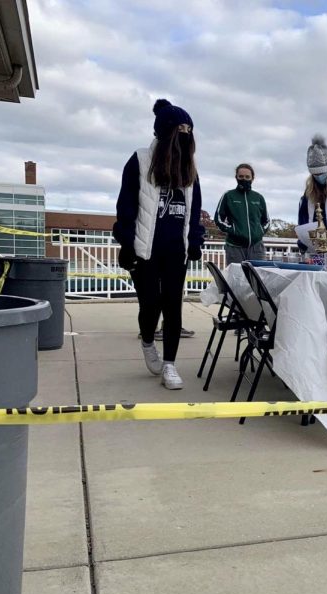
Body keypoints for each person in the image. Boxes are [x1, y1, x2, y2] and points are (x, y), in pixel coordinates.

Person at [113, 98, 203, 390]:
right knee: (150, 304)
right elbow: (126, 206)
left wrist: (194, 241)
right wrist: (126, 244)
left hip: (176, 252)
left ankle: (170, 365)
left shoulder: (190, 168)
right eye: (180, 134)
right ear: (165, 135)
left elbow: (195, 209)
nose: (184, 142)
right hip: (144, 249)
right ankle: (148, 341)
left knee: (173, 306)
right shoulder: (139, 160)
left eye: (188, 135)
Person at [215, 163, 269, 264]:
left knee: (257, 278)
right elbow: (218, 218)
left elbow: (266, 221)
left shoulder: (258, 197)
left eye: (247, 177)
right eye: (241, 176)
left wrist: (259, 231)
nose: (244, 179)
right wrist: (233, 230)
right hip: (234, 247)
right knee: (236, 278)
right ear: (236, 177)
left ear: (252, 178)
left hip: (256, 248)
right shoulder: (228, 196)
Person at [296, 134, 327, 254]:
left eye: (322, 174)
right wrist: (302, 242)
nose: (319, 177)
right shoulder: (307, 195)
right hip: (313, 247)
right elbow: (302, 221)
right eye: (316, 175)